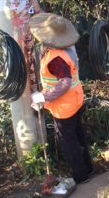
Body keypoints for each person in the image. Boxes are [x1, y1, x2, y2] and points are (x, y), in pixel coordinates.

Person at [29, 13, 93, 184]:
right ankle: (88, 167)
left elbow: (64, 83)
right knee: (78, 135)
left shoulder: (56, 59)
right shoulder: (64, 49)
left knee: (68, 141)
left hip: (64, 107)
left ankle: (80, 175)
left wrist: (44, 96)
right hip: (75, 100)